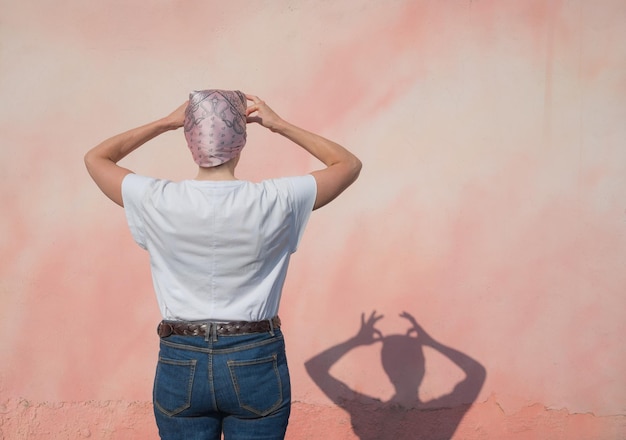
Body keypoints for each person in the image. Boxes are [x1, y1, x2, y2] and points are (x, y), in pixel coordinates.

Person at [84, 89, 361, 440]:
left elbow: (96, 158)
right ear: (241, 141)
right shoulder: (278, 199)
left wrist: (166, 122)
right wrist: (279, 125)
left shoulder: (156, 199)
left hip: (181, 356)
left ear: (189, 139)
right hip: (255, 355)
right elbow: (347, 164)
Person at [305, 311, 486, 440]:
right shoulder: (439, 417)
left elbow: (315, 368)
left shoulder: (367, 413)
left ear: (387, 371)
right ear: (422, 369)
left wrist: (356, 341)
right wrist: (431, 342)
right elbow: (478, 373)